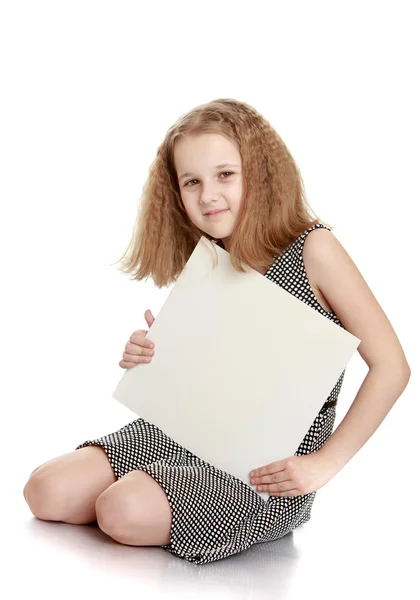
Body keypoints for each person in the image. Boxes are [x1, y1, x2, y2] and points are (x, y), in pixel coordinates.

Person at [23, 98, 411, 566]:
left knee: (120, 509)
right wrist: (152, 357)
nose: (208, 195)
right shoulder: (211, 254)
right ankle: (155, 490)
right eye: (192, 182)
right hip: (183, 432)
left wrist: (323, 465)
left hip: (264, 466)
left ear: (261, 174)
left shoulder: (315, 250)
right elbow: (213, 370)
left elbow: (392, 366)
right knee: (46, 491)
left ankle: (220, 511)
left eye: (225, 174)